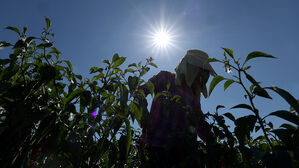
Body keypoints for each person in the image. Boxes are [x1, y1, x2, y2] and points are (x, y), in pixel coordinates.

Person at [135, 49, 217, 167]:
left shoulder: (193, 95)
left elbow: (200, 123)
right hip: (155, 146)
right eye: (200, 71)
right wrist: (142, 112)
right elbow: (140, 92)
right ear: (189, 67)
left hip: (183, 154)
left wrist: (213, 144)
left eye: (204, 73)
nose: (202, 76)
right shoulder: (164, 78)